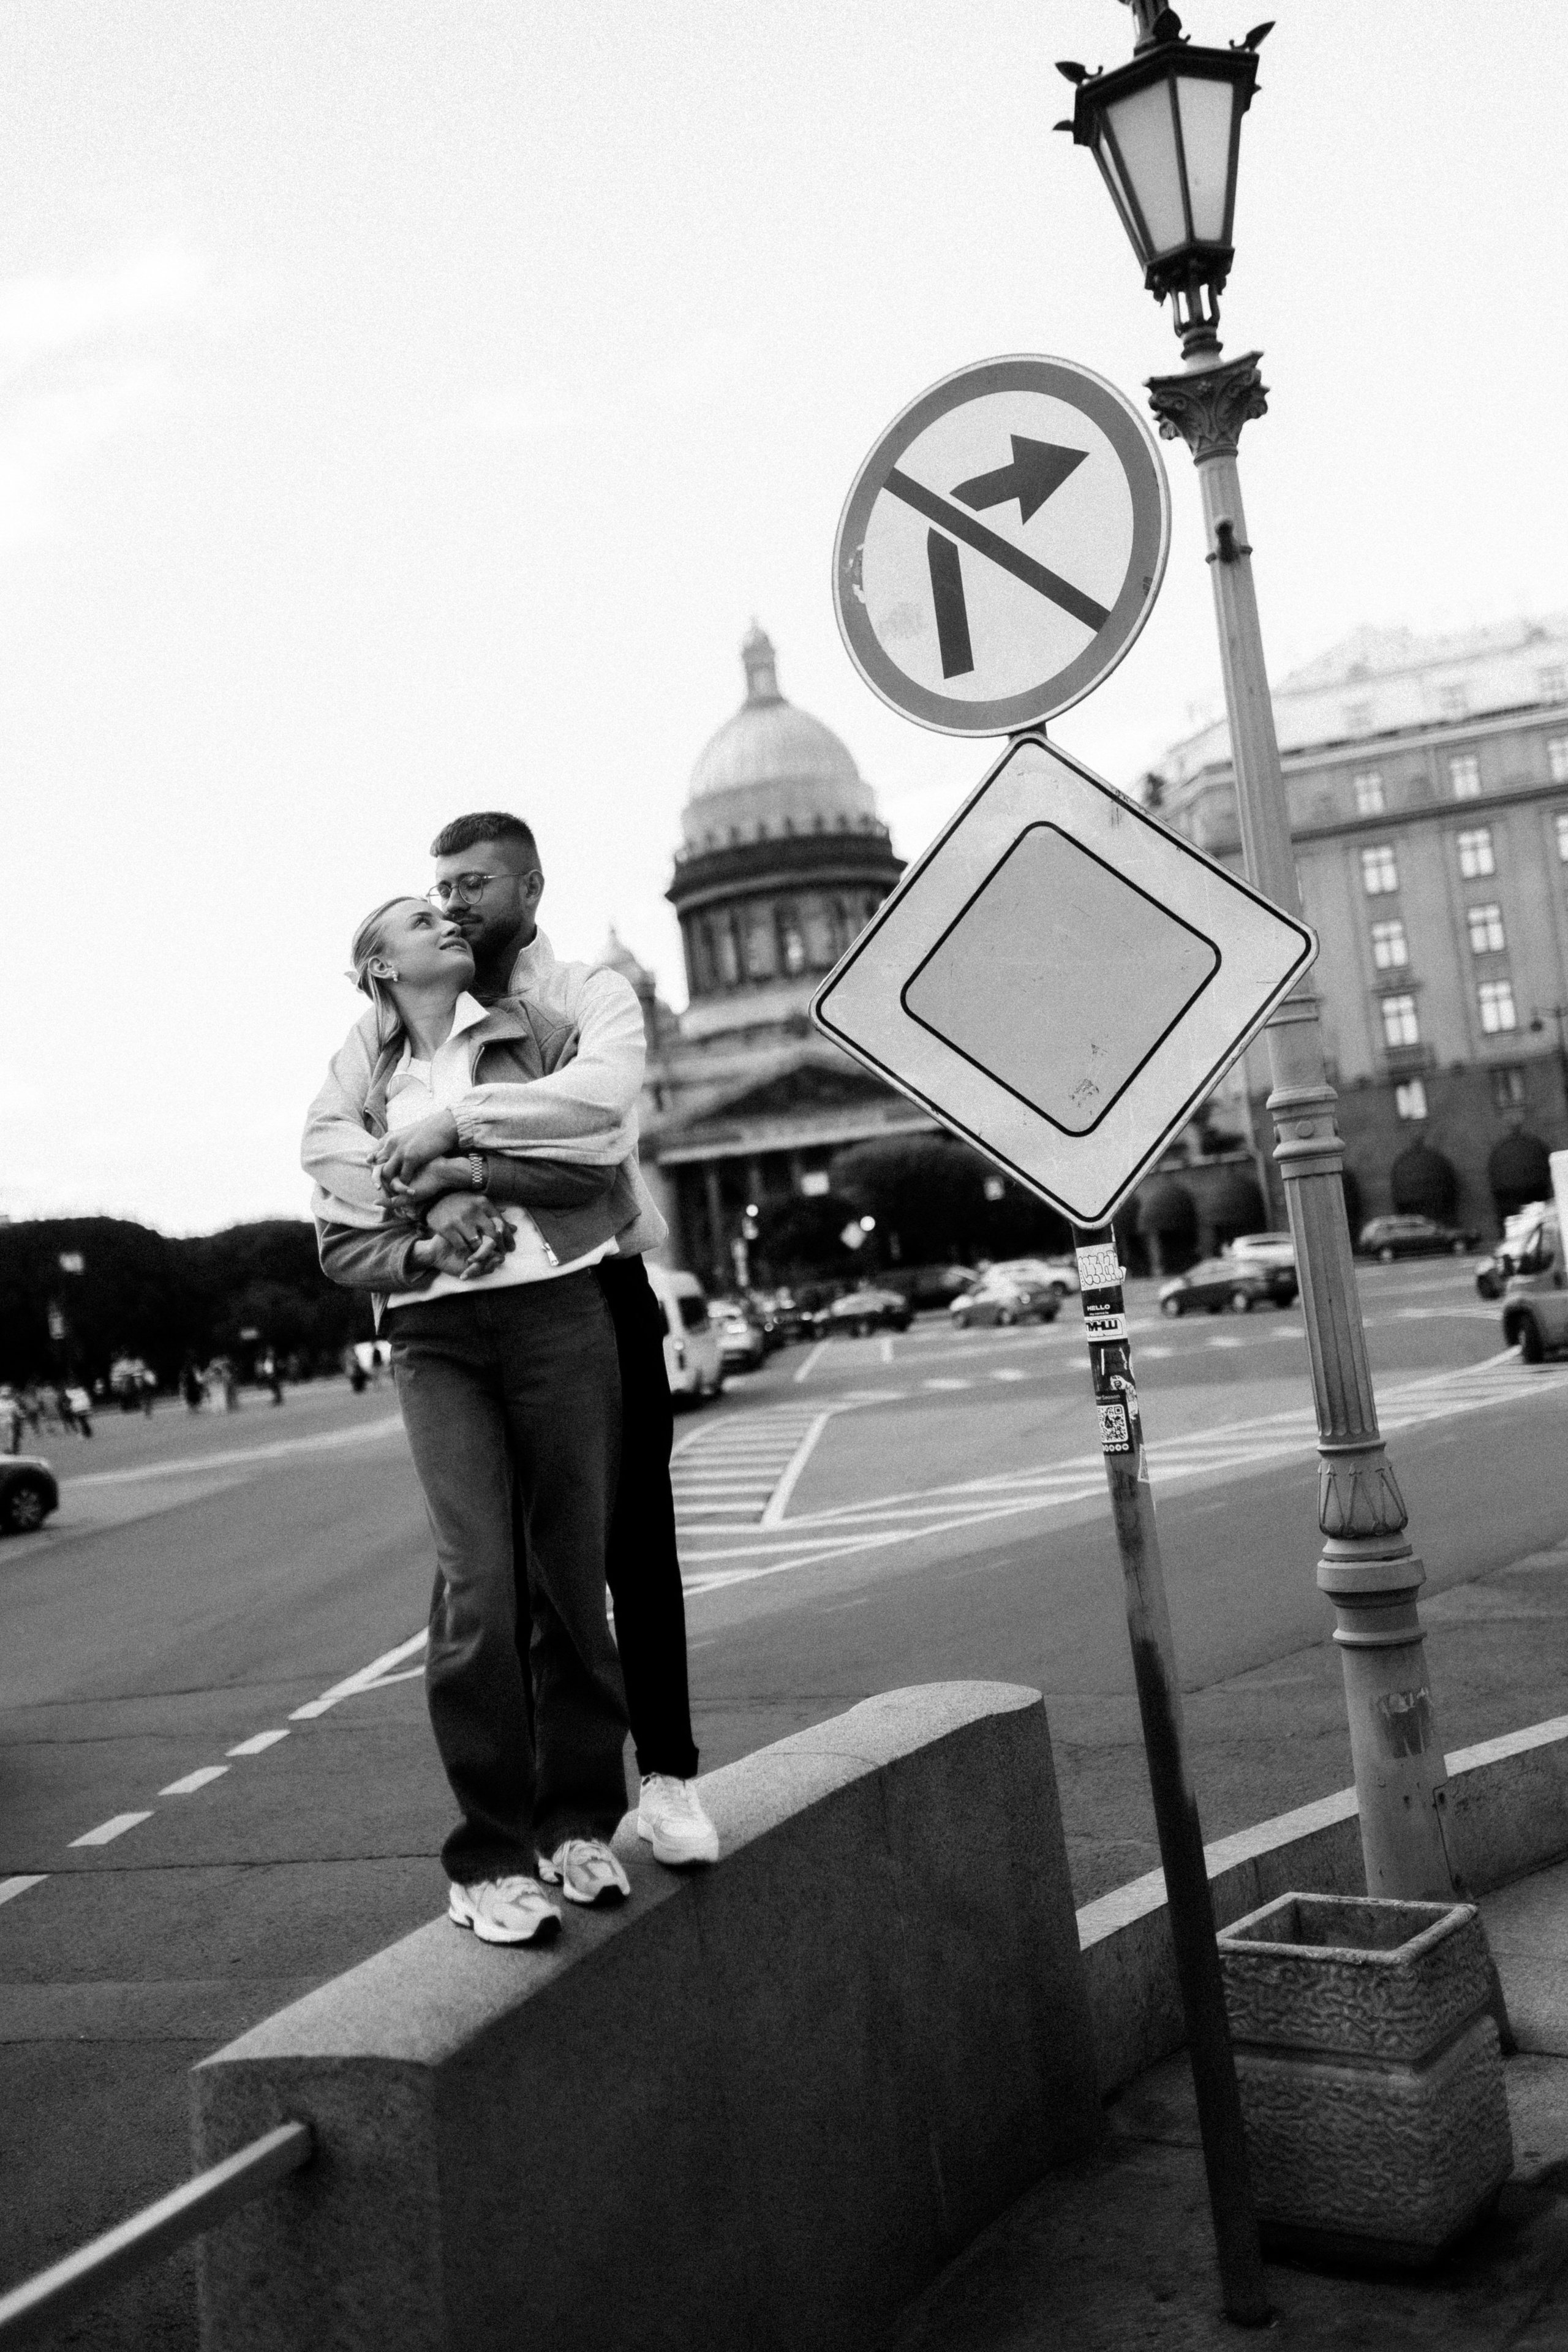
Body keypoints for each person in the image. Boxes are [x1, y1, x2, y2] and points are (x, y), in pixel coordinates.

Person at [303, 813, 716, 1874]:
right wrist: (425, 1209)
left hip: (595, 1288)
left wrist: (460, 1145)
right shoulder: (379, 1040)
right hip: (449, 1324)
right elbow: (329, 1155)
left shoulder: (567, 1002)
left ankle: (658, 1781)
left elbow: (606, 1139)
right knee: (497, 1579)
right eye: (435, 889)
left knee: (620, 1548)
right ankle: (523, 1829)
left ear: (530, 890)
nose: (452, 904)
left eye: (472, 885)